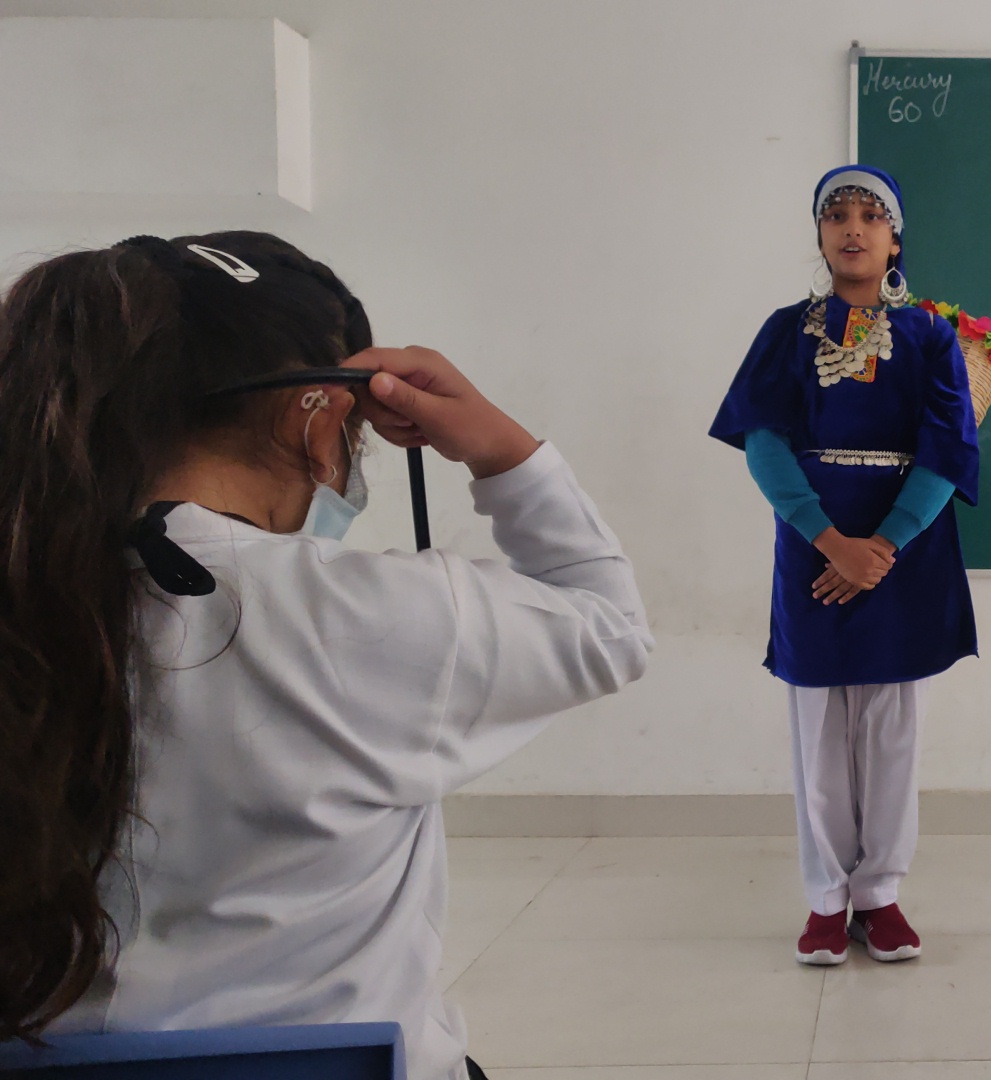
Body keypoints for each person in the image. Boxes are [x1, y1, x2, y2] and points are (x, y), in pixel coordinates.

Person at [0, 232, 652, 1080]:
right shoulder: (370, 616)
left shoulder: (29, 596)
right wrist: (502, 448)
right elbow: (609, 622)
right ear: (314, 416)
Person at [710, 166, 979, 965]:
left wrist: (884, 545)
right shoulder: (785, 333)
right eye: (837, 215)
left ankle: (881, 893)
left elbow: (948, 449)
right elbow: (764, 444)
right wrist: (832, 543)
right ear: (820, 235)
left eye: (871, 215)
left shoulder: (930, 337)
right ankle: (827, 898)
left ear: (895, 240)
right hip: (814, 547)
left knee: (893, 730)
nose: (853, 228)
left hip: (908, 552)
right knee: (819, 730)